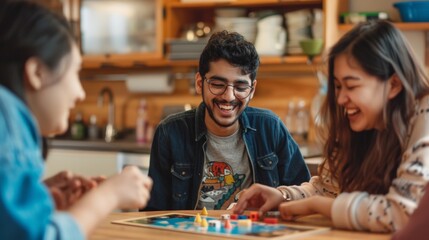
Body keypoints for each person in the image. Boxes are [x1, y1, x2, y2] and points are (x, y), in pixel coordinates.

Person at [233, 20, 429, 233]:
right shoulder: (366, 125)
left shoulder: (424, 117)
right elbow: (327, 189)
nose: (341, 98)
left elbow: (401, 215)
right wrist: (282, 196)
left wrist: (317, 206)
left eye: (352, 85)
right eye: (337, 86)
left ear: (393, 85)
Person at [0, 1, 153, 239]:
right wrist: (108, 195)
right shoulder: (8, 124)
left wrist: (38, 196)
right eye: (75, 72)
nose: (81, 93)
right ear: (37, 73)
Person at [147, 30, 310, 211]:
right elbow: (153, 214)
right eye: (217, 84)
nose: (229, 96)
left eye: (240, 86)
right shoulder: (170, 132)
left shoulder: (270, 127)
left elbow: (304, 197)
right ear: (200, 83)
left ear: (252, 89)